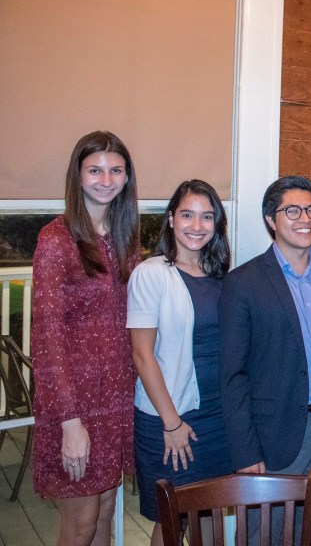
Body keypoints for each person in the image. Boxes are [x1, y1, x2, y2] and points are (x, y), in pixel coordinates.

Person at [219, 176, 311, 542]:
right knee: (262, 536)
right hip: (272, 433)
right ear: (271, 219)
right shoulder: (243, 283)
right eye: (292, 210)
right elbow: (232, 376)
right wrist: (245, 451)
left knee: (307, 531)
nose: (305, 218)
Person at [31, 131, 140, 546]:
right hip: (76, 403)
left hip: (116, 399)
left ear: (127, 177)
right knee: (80, 521)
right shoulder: (56, 240)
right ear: (77, 176)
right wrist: (69, 422)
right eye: (95, 170)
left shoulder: (125, 240)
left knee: (107, 511)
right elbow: (47, 338)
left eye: (116, 170)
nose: (106, 179)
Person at [127, 180, 232, 545]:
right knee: (172, 521)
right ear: (171, 219)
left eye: (207, 217)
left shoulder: (221, 277)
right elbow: (142, 355)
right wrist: (172, 424)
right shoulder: (151, 273)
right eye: (187, 214)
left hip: (218, 418)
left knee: (211, 513)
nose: (197, 225)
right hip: (171, 417)